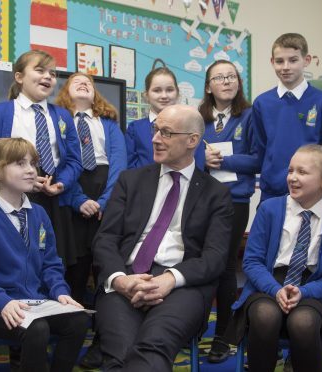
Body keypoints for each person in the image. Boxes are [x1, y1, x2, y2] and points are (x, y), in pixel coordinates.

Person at [93, 104, 234, 371]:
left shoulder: (216, 194)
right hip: (126, 279)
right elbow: (105, 239)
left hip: (183, 286)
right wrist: (120, 280)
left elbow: (215, 258)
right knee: (121, 354)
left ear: (192, 140)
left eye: (166, 133)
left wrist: (171, 279)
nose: (156, 139)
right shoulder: (130, 181)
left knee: (152, 346)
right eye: (155, 130)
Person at [0, 137, 89, 372]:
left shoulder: (38, 214)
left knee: (78, 320)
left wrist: (59, 292)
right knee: (37, 329)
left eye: (32, 163)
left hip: (34, 303)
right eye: (20, 164)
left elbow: (50, 264)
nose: (30, 170)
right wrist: (1, 300)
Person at [224, 141, 322, 372]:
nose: (292, 177)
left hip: (311, 288)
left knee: (304, 322)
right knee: (265, 315)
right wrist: (275, 289)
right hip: (267, 284)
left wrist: (304, 292)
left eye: (302, 172)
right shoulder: (270, 209)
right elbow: (252, 261)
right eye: (290, 170)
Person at [0, 50, 82, 265]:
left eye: (52, 73)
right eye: (40, 70)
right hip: (12, 195)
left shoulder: (62, 115)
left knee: (52, 260)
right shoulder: (1, 112)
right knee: (16, 259)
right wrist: (21, 180)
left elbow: (74, 160)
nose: (48, 77)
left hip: (53, 196)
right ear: (19, 77)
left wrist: (61, 184)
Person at [56, 72, 127, 369]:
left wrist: (102, 202)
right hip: (71, 191)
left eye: (88, 81)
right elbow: (59, 163)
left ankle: (102, 341)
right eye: (76, 81)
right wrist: (77, 199)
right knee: (74, 268)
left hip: (104, 194)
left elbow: (119, 165)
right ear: (65, 91)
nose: (83, 83)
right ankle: (67, 336)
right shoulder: (58, 120)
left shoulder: (108, 123)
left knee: (103, 272)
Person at [198, 60, 259, 364]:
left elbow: (259, 159)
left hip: (234, 202)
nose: (226, 81)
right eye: (219, 77)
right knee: (198, 263)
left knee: (223, 267)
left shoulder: (250, 116)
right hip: (199, 201)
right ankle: (194, 327)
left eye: (231, 76)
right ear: (208, 86)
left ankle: (223, 335)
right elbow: (186, 154)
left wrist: (223, 160)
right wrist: (202, 160)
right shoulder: (198, 117)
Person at [253, 33, 322, 202]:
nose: (286, 67)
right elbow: (261, 150)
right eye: (279, 61)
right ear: (272, 62)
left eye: (293, 60)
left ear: (306, 60)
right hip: (271, 194)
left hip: (311, 194)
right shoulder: (262, 103)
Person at [125, 59, 179, 169]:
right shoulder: (135, 129)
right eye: (157, 90)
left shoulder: (188, 126)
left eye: (169, 90)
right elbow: (129, 166)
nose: (164, 95)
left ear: (177, 93)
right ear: (146, 95)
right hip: (144, 185)